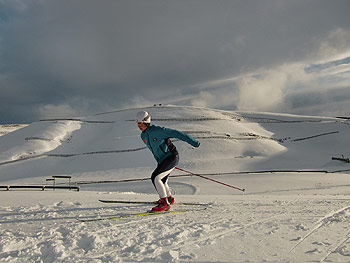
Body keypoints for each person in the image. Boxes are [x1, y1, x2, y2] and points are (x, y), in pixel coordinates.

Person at [136, 111, 200, 212]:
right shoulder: (143, 136)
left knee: (156, 177)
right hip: (163, 161)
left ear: (146, 122)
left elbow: (177, 134)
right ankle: (169, 198)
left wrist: (194, 142)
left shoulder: (158, 130)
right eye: (137, 123)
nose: (138, 126)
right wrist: (160, 163)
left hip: (171, 157)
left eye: (140, 123)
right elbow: (155, 151)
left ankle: (165, 204)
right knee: (162, 181)